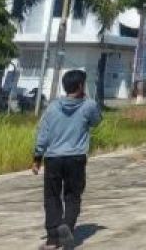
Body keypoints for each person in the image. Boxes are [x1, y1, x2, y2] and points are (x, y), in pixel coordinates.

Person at [32, 69, 101, 250]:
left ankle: (52, 240)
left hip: (53, 158)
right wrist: (88, 101)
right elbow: (96, 121)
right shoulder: (89, 105)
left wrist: (37, 157)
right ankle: (67, 226)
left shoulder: (53, 107)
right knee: (72, 195)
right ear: (80, 86)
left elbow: (43, 134)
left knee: (52, 197)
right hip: (76, 158)